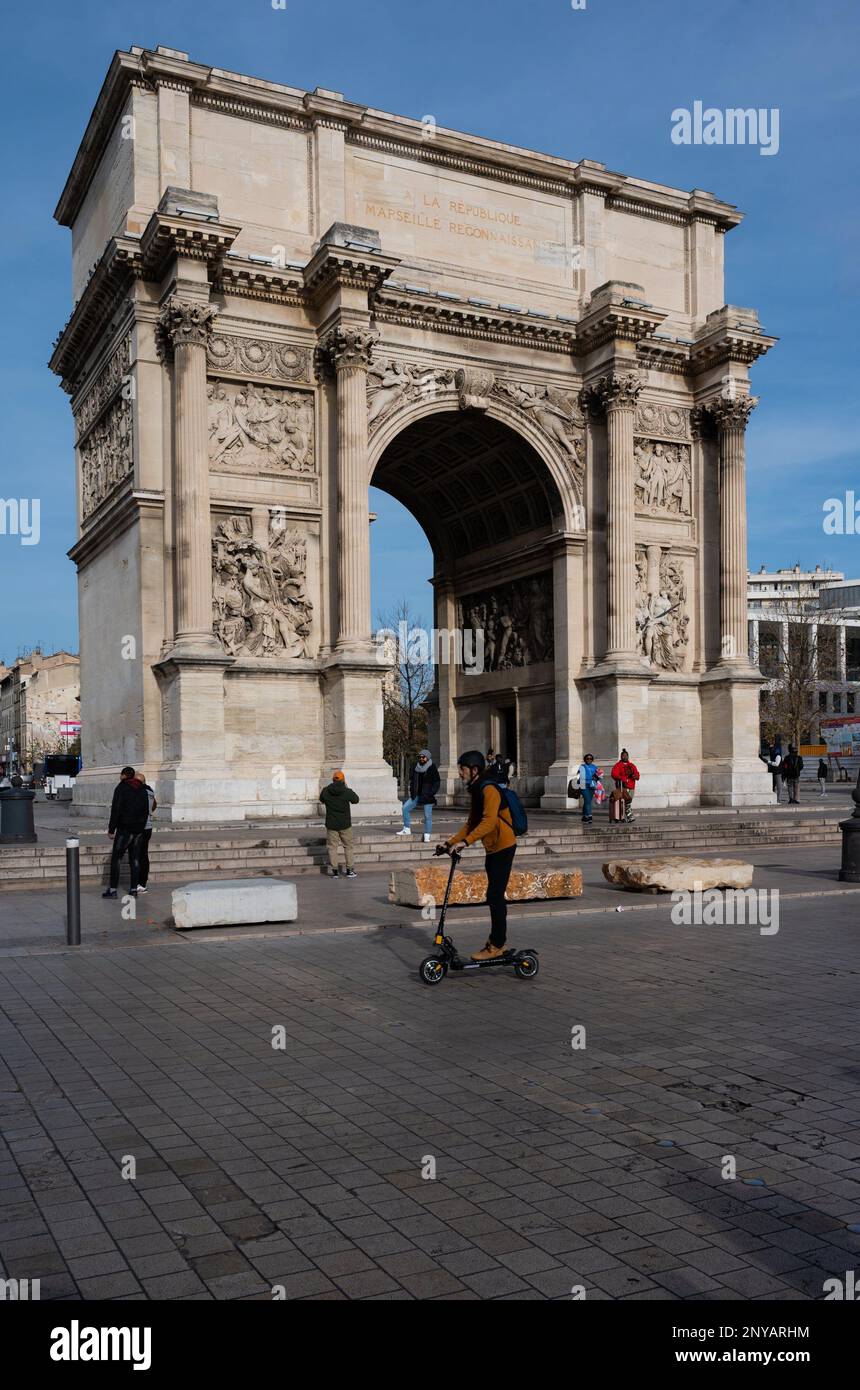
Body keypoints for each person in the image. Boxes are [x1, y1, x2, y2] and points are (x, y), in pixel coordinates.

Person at [441, 750, 516, 962]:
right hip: (492, 847)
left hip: (504, 845)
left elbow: (489, 821)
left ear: (474, 770)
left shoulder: (489, 788)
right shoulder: (477, 789)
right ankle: (497, 943)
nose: (460, 773)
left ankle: (497, 945)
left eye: (462, 769)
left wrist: (465, 843)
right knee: (493, 895)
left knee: (495, 895)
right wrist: (450, 843)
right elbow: (471, 823)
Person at [103, 766, 149, 899]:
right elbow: (146, 810)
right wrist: (141, 826)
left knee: (116, 858)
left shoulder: (121, 788)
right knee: (134, 859)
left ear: (123, 775)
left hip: (125, 829)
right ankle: (133, 889)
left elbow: (116, 810)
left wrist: (112, 829)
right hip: (139, 830)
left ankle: (112, 890)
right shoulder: (142, 789)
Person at [320, 770, 360, 877]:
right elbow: (356, 800)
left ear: (333, 780)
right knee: (348, 847)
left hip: (331, 824)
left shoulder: (326, 791)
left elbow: (321, 799)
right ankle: (350, 870)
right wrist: (346, 788)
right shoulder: (346, 791)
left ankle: (335, 871)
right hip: (345, 824)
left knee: (332, 847)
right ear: (343, 780)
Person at [397, 749, 440, 842]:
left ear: (427, 758)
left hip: (427, 796)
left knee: (427, 815)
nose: (421, 758)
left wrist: (431, 793)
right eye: (420, 757)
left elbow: (436, 782)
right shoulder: (416, 767)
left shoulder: (432, 768)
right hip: (416, 795)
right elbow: (413, 781)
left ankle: (427, 834)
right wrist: (412, 791)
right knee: (405, 808)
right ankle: (407, 829)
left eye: (423, 757)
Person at [137, 777, 158, 893]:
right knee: (144, 854)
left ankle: (139, 882)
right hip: (148, 826)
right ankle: (143, 882)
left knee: (138, 855)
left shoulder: (140, 792)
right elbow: (154, 805)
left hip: (140, 827)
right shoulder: (150, 791)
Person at [610, 749, 640, 823]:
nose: (624, 757)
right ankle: (629, 817)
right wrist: (623, 778)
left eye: (626, 755)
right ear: (621, 756)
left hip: (631, 786)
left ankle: (623, 817)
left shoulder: (632, 765)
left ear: (628, 756)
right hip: (622, 787)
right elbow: (614, 774)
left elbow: (637, 775)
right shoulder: (617, 765)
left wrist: (634, 776)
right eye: (623, 756)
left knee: (628, 802)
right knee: (626, 802)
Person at [575, 753, 601, 825]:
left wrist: (596, 777)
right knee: (587, 800)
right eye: (587, 758)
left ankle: (584, 816)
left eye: (590, 759)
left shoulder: (595, 767)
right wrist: (577, 784)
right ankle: (589, 816)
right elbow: (577, 776)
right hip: (583, 785)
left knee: (588, 801)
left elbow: (599, 776)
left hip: (592, 785)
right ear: (585, 760)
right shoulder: (582, 767)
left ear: (592, 760)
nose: (589, 760)